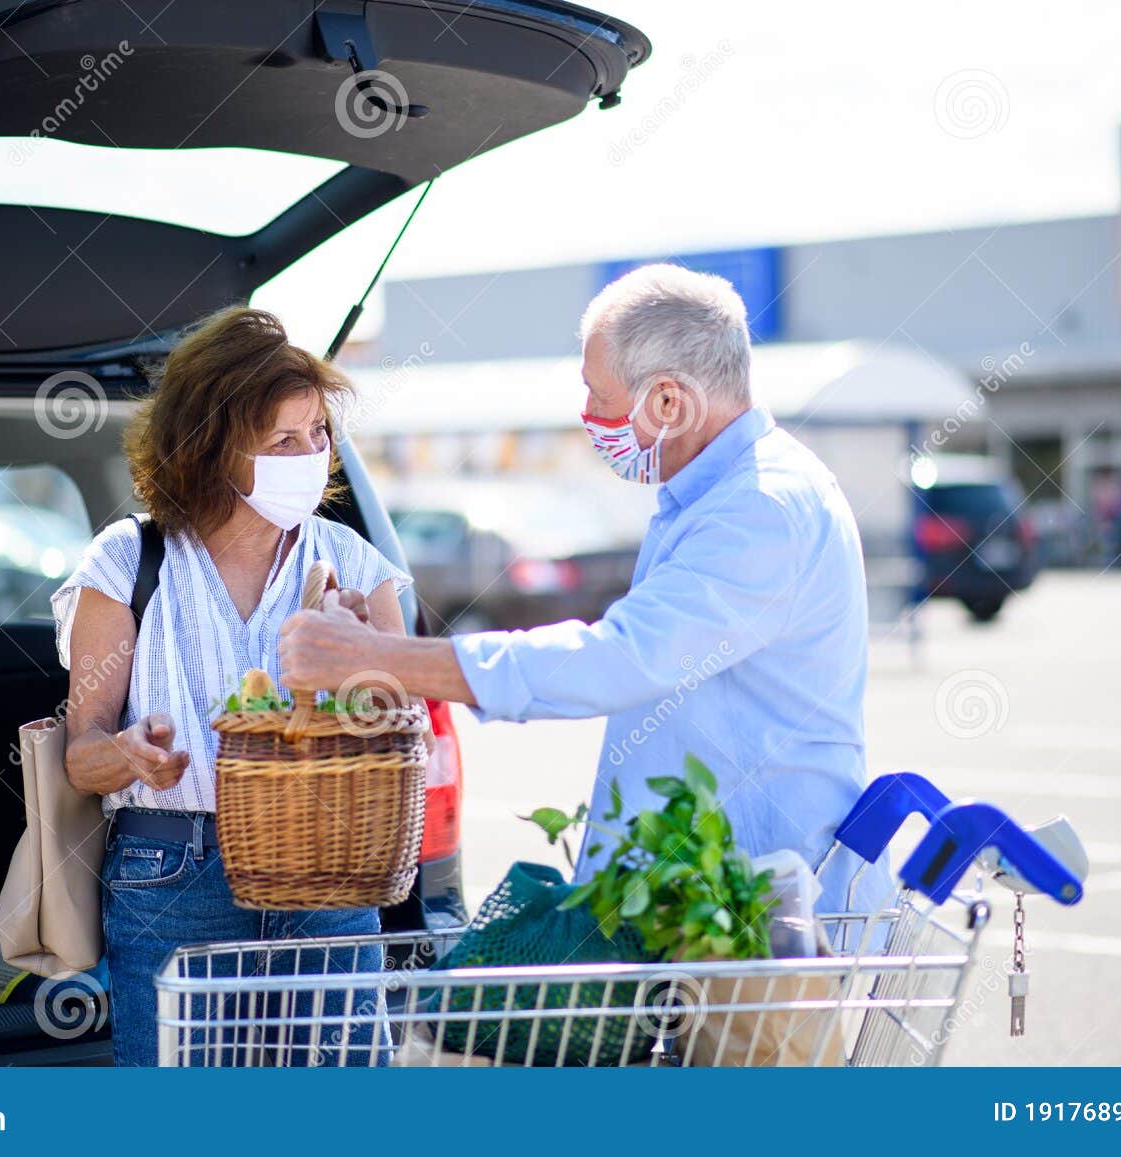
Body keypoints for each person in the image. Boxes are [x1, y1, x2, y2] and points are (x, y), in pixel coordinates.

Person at [280, 263, 894, 916]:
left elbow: (620, 659)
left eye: (597, 395)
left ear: (667, 401)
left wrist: (377, 659)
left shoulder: (761, 508)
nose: (587, 415)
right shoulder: (712, 495)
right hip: (704, 905)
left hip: (758, 918)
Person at [52, 307, 411, 1066]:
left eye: (318, 434)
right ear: (212, 450)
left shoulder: (355, 561)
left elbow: (398, 738)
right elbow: (79, 755)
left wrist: (361, 659)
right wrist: (127, 753)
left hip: (329, 870)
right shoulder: (128, 561)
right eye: (283, 440)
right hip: (173, 876)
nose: (311, 455)